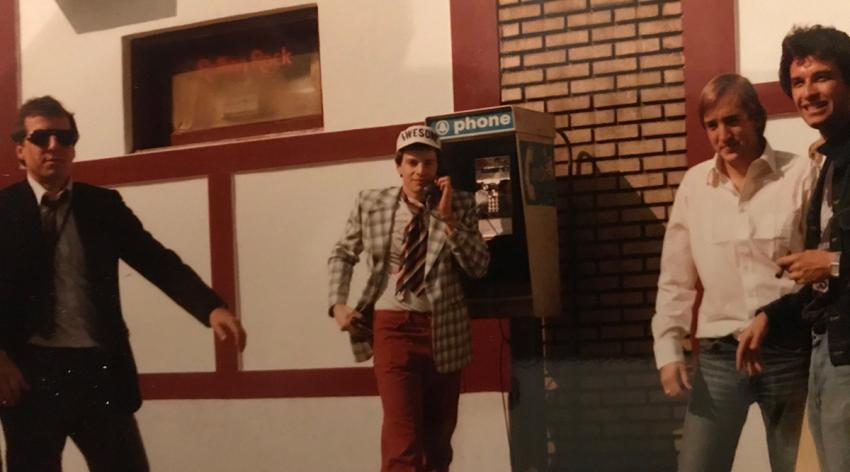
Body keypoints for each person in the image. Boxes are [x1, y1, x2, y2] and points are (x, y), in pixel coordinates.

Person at [0, 95, 247, 471]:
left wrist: (211, 307)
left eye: (64, 139)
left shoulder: (102, 206)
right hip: (31, 374)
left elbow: (156, 260)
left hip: (99, 370)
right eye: (41, 138)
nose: (54, 147)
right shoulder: (3, 210)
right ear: (20, 150)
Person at [651, 74, 813, 471]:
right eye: (712, 125)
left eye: (733, 120)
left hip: (789, 351)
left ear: (757, 118)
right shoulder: (694, 186)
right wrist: (669, 350)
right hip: (720, 356)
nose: (723, 134)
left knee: (798, 467)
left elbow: (816, 270)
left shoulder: (800, 175)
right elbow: (676, 277)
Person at [327, 125, 489, 472]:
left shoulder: (459, 204)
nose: (420, 172)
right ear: (398, 165)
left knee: (438, 444)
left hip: (444, 329)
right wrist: (338, 304)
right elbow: (343, 253)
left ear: (438, 166)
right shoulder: (372, 202)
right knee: (403, 441)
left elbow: (478, 267)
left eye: (428, 163)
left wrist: (448, 221)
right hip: (393, 327)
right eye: (412, 163)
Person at [738, 25, 850, 472]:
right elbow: (824, 280)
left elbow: (832, 265)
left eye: (822, 76)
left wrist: (834, 261)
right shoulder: (828, 165)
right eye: (799, 82)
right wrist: (772, 314)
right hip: (827, 349)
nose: (808, 92)